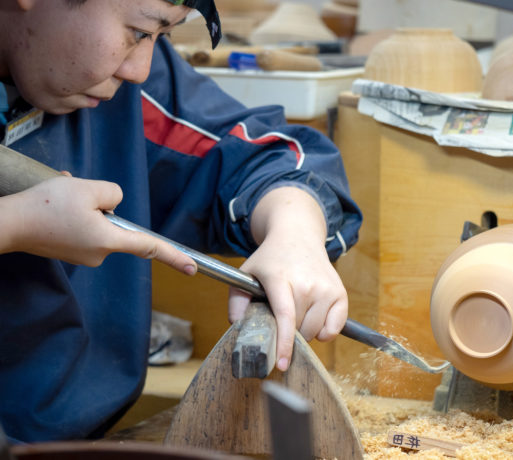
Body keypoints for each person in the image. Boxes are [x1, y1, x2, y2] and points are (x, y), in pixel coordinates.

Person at [0, 0, 361, 443]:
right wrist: (15, 224)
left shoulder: (127, 81)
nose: (139, 68)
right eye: (137, 31)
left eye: (163, 35)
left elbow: (259, 157)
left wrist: (295, 234)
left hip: (79, 440)